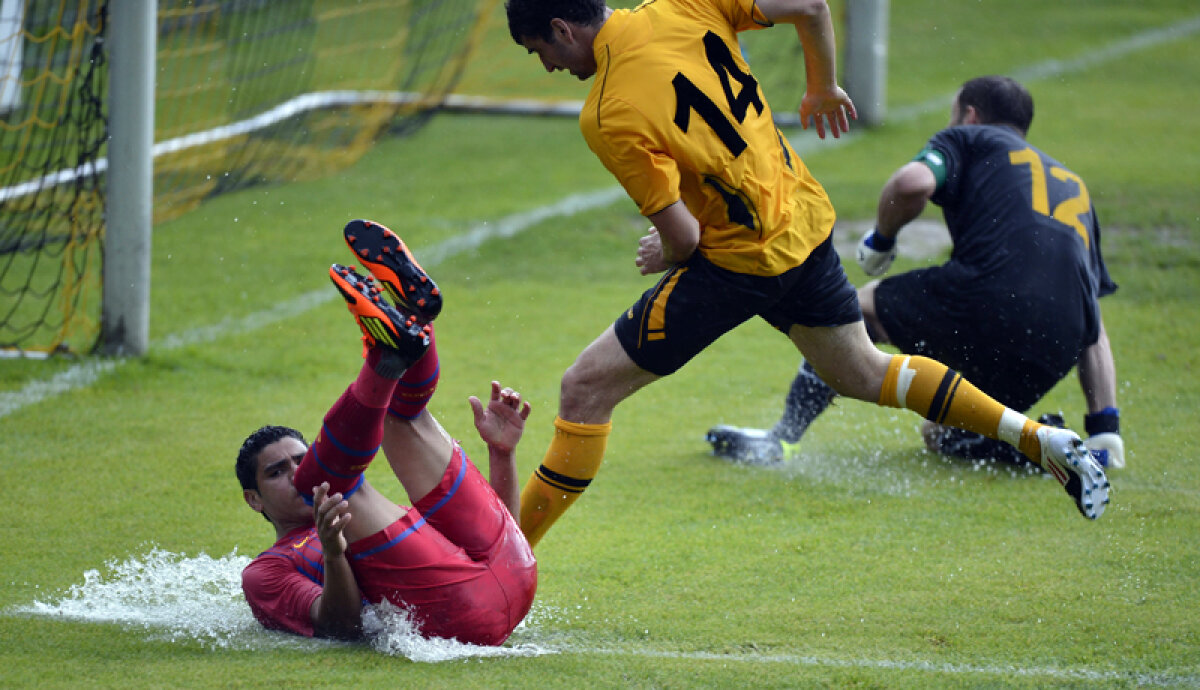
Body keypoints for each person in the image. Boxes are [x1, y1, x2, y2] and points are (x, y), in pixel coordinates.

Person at [504, 0, 1110, 543]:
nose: (548, 67)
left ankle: (507, 561)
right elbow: (812, 6)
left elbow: (685, 239)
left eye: (540, 52)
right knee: (865, 372)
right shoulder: (682, 5)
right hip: (804, 227)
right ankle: (1038, 439)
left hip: (737, 264)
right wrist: (822, 88)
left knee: (584, 390)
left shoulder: (607, 112)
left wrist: (665, 251)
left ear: (562, 28)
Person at [706, 75, 1125, 472]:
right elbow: (1094, 323)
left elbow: (911, 184)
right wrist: (1106, 428)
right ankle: (1053, 447)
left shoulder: (969, 138)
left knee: (854, 309)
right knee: (941, 433)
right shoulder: (1073, 184)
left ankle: (782, 439)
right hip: (1057, 340)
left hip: (988, 299)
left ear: (970, 115)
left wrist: (881, 241)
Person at [235, 220, 537, 645]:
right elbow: (338, 626)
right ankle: (393, 349)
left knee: (401, 418)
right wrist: (334, 552)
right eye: (275, 472)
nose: (295, 471)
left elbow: (505, 547)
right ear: (254, 499)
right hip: (460, 612)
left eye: (301, 458)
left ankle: (412, 321)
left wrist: (501, 454)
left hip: (514, 570)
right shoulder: (267, 572)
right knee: (327, 486)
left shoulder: (379, 518)